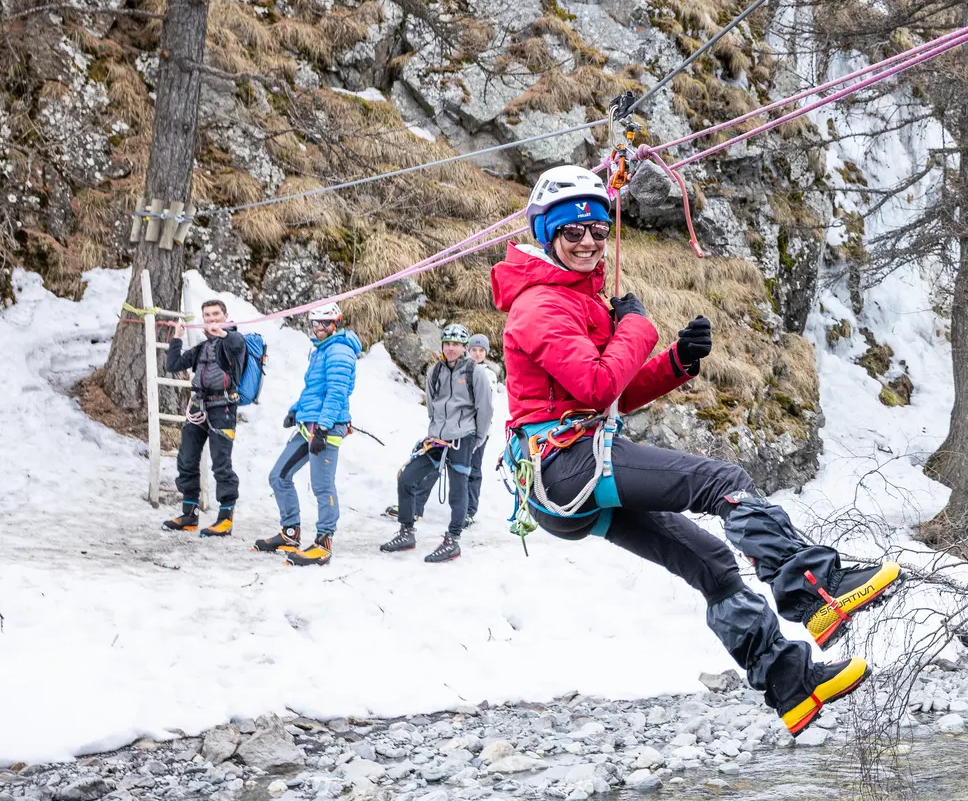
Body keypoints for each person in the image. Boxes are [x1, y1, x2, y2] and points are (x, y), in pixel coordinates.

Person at [493, 165, 901, 736]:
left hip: (565, 476)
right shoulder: (541, 305)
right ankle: (816, 590)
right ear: (547, 234)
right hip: (565, 465)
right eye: (572, 232)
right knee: (721, 482)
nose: (588, 242)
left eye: (597, 230)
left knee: (710, 562)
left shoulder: (574, 300)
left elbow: (605, 392)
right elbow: (597, 386)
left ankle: (790, 683)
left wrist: (675, 363)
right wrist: (638, 328)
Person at [254, 302, 360, 566]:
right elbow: (313, 390)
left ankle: (324, 543)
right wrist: (296, 409)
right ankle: (290, 533)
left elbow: (337, 393)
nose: (319, 327)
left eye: (325, 323)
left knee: (322, 485)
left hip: (326, 426)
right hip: (308, 424)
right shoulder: (321, 349)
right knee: (279, 476)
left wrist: (323, 428)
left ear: (336, 323)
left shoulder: (339, 350)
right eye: (315, 323)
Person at [380, 324, 494, 563]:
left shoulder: (475, 373)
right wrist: (434, 431)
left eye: (456, 344)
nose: (451, 348)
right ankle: (406, 532)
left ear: (464, 347)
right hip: (437, 438)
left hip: (463, 438)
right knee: (407, 478)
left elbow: (485, 409)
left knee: (458, 490)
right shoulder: (435, 371)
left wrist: (477, 439)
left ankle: (453, 540)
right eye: (447, 344)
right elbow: (432, 405)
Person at [159, 299, 248, 537]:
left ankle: (225, 519)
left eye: (216, 314)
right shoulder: (202, 347)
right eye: (207, 315)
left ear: (225, 316)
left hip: (223, 409)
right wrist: (177, 338)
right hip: (199, 407)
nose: (211, 318)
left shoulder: (234, 341)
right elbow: (173, 365)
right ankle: (189, 514)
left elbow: (236, 342)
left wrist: (223, 332)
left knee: (221, 464)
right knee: (186, 459)